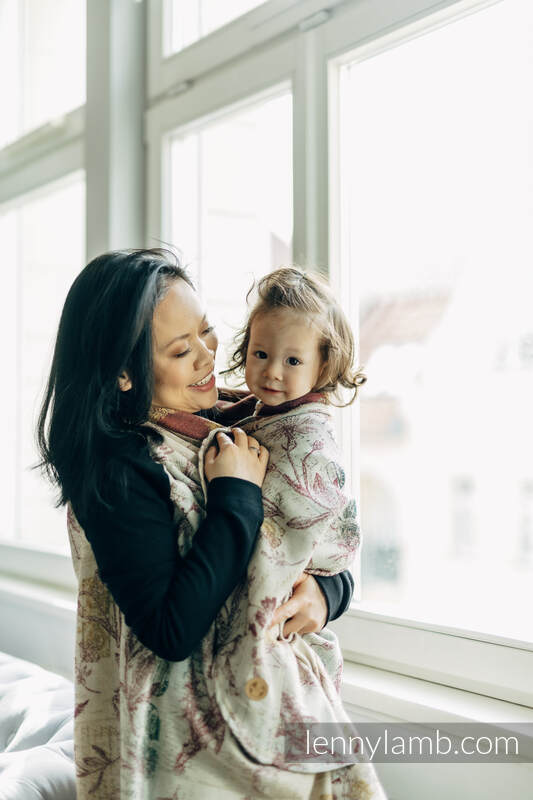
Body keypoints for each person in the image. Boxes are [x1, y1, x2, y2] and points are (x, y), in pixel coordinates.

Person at [37, 249, 358, 799]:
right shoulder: (119, 471)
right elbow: (171, 629)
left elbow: (309, 544)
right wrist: (236, 494)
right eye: (182, 349)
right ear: (122, 373)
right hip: (190, 755)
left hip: (267, 722)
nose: (209, 355)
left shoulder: (227, 422)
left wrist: (328, 593)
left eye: (207, 331)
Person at [188, 268, 386, 797]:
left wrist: (328, 584)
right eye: (260, 353)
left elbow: (324, 527)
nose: (272, 372)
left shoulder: (308, 436)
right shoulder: (254, 409)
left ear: (324, 366)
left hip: (297, 613)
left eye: (293, 360)